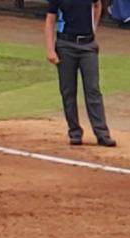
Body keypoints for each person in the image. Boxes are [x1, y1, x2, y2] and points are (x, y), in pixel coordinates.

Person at [46, 0, 116, 147]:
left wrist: (93, 28)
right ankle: (75, 132)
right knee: (68, 91)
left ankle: (102, 134)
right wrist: (50, 49)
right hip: (65, 45)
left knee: (93, 89)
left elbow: (98, 5)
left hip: (88, 45)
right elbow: (50, 19)